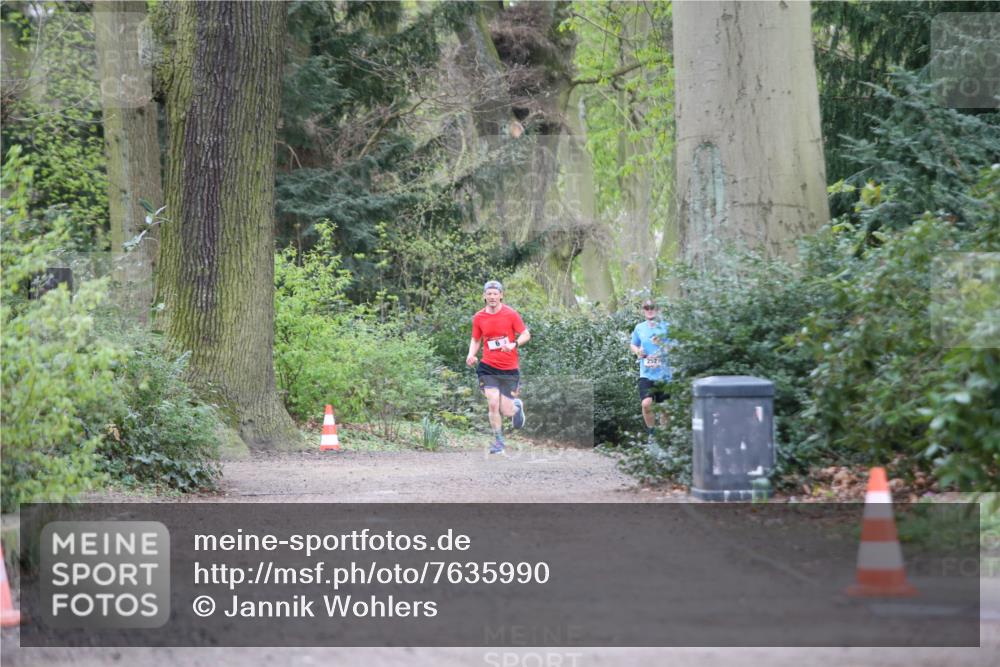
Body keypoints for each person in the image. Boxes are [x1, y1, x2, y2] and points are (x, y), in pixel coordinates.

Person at [466, 280, 531, 454]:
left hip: (509, 368)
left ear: (501, 295)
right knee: (493, 403)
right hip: (488, 367)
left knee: (507, 410)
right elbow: (476, 339)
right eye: (489, 294)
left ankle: (516, 407)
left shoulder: (511, 314)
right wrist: (471, 354)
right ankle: (499, 442)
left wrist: (514, 344)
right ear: (484, 296)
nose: (492, 297)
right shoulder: (479, 317)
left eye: (495, 294)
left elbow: (526, 334)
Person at [630, 299, 672, 442]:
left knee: (665, 408)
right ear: (643, 310)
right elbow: (633, 345)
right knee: (646, 404)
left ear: (658, 309)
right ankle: (652, 434)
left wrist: (663, 347)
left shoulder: (666, 327)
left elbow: (675, 346)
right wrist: (638, 351)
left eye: (652, 307)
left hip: (664, 375)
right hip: (646, 374)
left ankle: (664, 437)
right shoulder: (639, 327)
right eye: (646, 308)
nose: (649, 310)